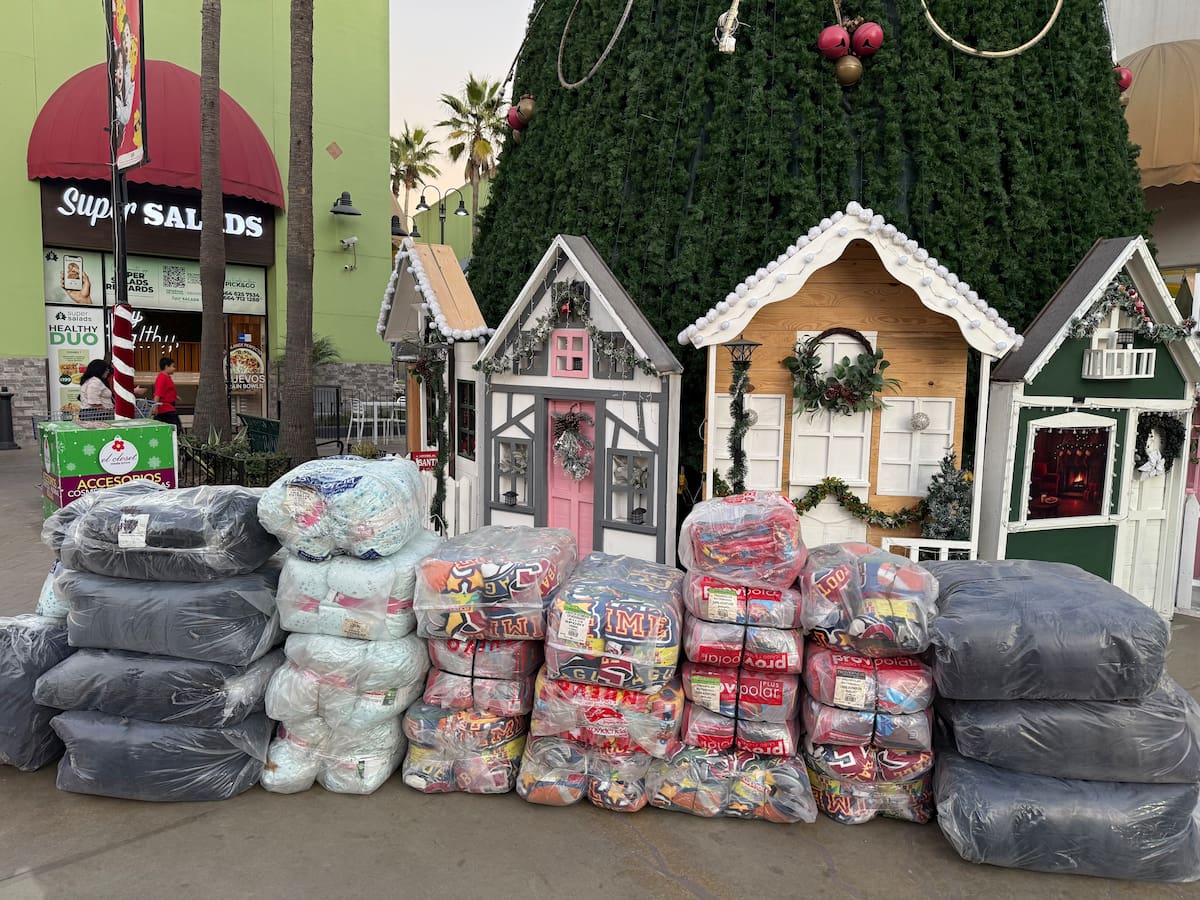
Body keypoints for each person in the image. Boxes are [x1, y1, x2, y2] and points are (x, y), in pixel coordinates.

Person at [153, 357, 182, 432]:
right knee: (176, 429)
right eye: (173, 366)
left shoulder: (167, 377)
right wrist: (155, 407)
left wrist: (175, 396)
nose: (174, 368)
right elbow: (158, 393)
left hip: (167, 408)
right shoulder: (162, 378)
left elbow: (168, 390)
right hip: (165, 409)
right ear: (166, 367)